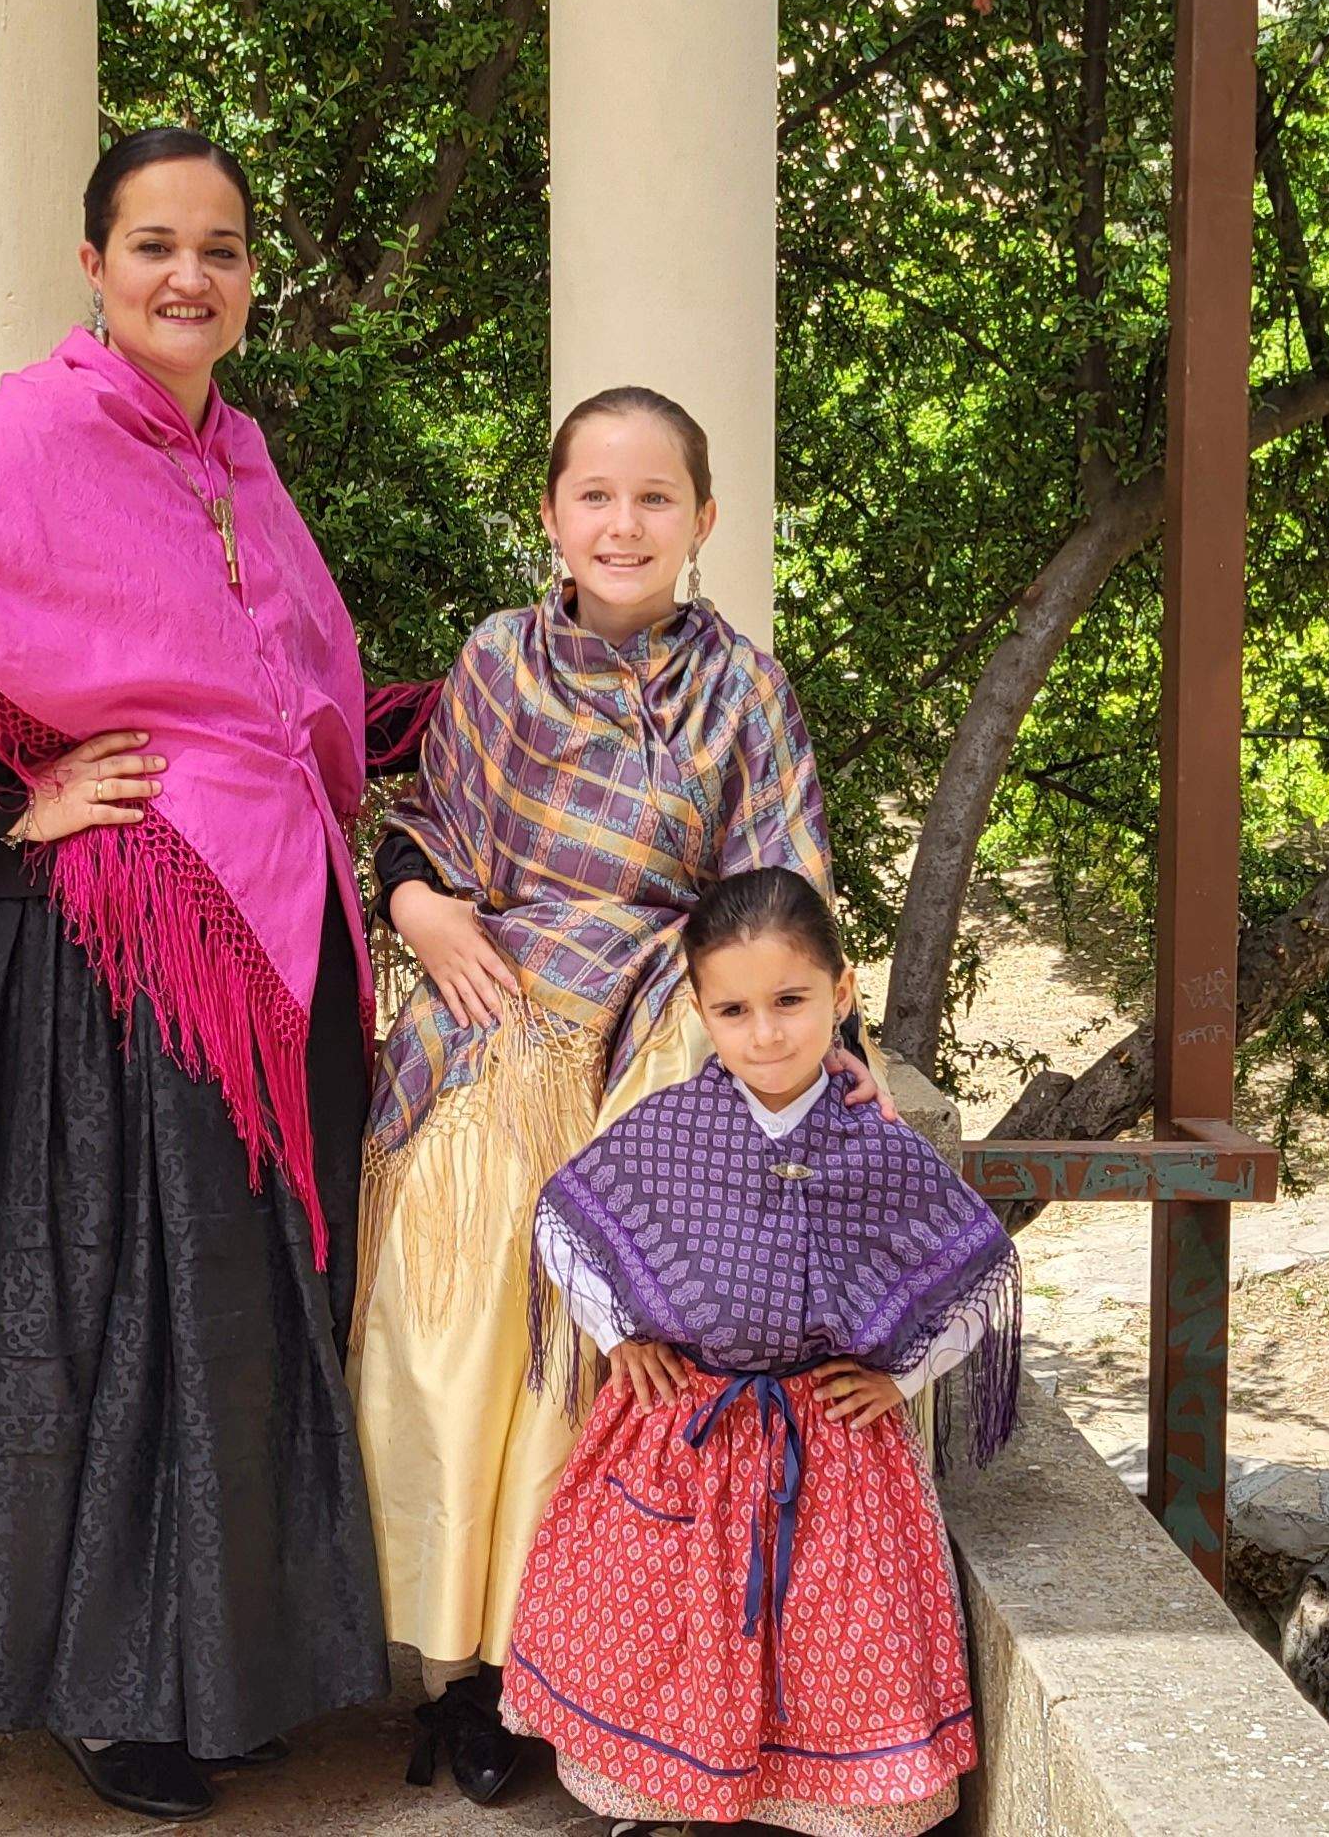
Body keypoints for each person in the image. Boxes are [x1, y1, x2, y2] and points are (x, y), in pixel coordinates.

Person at [0, 127, 418, 1824]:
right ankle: (114, 1685)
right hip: (119, 957)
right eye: (153, 243)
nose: (187, 275)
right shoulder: (39, 431)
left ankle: (228, 1663)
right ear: (96, 263)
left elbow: (307, 712)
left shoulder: (242, 464)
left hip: (283, 940)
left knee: (248, 1309)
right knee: (129, 1314)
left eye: (219, 246)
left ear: (251, 275)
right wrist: (14, 796)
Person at [353, 387, 858, 1801]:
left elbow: (783, 887)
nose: (622, 523)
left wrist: (748, 1027)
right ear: (552, 516)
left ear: (703, 521)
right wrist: (419, 910)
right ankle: (463, 1668)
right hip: (498, 992)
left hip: (672, 1004)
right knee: (463, 1273)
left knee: (637, 1262)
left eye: (654, 500)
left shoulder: (742, 687)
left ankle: (577, 1670)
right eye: (595, 496)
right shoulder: (496, 665)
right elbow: (425, 827)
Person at [503, 867, 1017, 1837]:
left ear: (843, 993)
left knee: (837, 1631)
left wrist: (897, 1376)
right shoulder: (664, 1132)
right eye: (733, 1010)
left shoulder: (882, 1152)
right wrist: (620, 1337)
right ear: (698, 1010)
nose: (766, 1034)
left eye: (790, 1001)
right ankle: (667, 1803)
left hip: (830, 1452)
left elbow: (978, 1275)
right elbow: (562, 1227)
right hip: (690, 1441)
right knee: (668, 1629)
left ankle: (829, 1807)